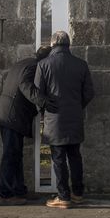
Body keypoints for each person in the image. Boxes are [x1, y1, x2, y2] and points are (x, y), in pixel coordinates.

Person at [34, 30, 94, 208]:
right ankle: (78, 193)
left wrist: (44, 110)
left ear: (52, 44)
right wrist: (77, 106)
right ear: (68, 44)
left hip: (54, 119)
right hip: (75, 117)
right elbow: (89, 93)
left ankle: (63, 196)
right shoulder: (81, 64)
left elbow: (38, 94)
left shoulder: (44, 64)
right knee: (75, 157)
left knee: (58, 158)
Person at [0, 45, 52, 205]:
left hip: (8, 114)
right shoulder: (34, 67)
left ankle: (19, 191)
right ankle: (4, 194)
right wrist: (45, 102)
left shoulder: (24, 63)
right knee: (10, 155)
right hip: (13, 116)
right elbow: (25, 86)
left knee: (15, 155)